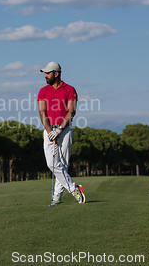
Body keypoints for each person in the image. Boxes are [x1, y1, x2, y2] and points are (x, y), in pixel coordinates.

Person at [37, 62, 85, 205]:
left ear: (56, 73)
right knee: (52, 163)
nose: (45, 76)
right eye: (45, 73)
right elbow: (42, 112)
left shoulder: (70, 89)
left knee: (62, 163)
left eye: (48, 73)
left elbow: (71, 111)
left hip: (65, 130)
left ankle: (57, 195)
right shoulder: (43, 91)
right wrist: (50, 131)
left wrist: (59, 130)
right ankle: (74, 189)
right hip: (49, 130)